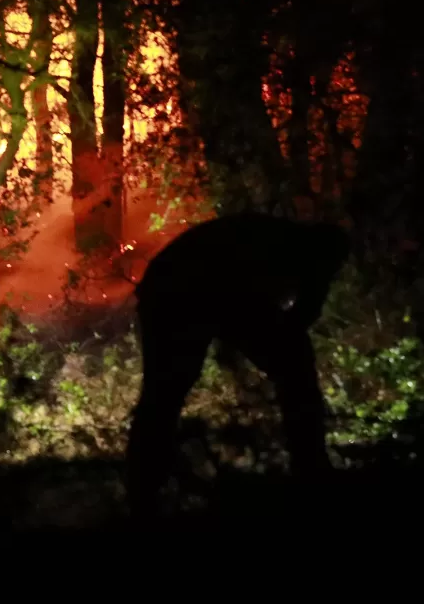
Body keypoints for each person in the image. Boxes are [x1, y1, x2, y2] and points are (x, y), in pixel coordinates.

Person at [125, 212, 350, 515]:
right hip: (180, 290)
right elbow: (265, 316)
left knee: (164, 393)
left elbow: (281, 320)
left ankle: (142, 488)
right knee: (167, 389)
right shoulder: (275, 250)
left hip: (178, 285)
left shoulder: (280, 245)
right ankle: (143, 488)